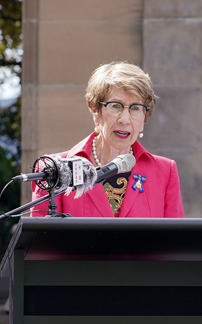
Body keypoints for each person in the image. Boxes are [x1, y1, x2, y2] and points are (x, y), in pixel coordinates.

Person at [30, 61, 185, 218]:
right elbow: (40, 240)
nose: (125, 120)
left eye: (136, 108)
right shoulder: (54, 170)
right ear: (95, 110)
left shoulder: (165, 172)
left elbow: (176, 241)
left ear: (145, 118)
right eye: (116, 106)